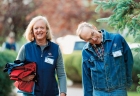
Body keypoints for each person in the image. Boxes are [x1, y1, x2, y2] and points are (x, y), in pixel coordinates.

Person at [76, 22, 133, 96]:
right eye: (89, 39)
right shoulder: (86, 51)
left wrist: (127, 82)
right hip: (99, 92)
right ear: (86, 41)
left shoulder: (117, 39)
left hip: (119, 89)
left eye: (92, 34)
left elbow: (128, 61)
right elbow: (86, 77)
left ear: (94, 28)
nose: (94, 38)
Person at [16, 16, 67, 96]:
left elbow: (61, 74)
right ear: (32, 31)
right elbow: (15, 71)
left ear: (46, 30)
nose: (39, 30)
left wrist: (63, 92)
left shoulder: (55, 49)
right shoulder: (26, 48)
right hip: (30, 94)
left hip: (51, 93)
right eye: (36, 28)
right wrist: (23, 78)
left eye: (42, 27)